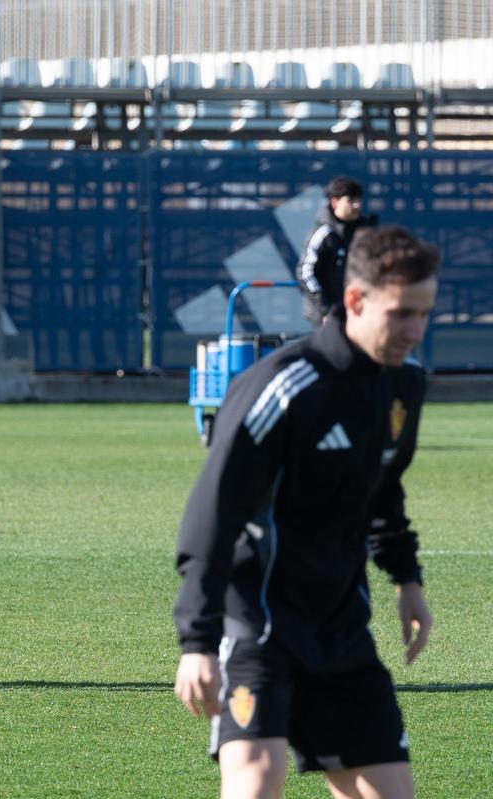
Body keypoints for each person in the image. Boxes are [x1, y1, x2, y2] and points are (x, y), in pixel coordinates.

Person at [173, 225, 438, 799]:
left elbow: (384, 487)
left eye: (424, 313)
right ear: (354, 300)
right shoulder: (283, 386)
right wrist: (196, 640)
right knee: (256, 780)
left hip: (341, 626)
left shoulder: (404, 388)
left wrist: (406, 578)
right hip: (258, 623)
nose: (414, 331)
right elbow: (212, 511)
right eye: (400, 314)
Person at [297, 176, 378, 325]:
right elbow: (306, 273)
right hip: (328, 318)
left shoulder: (364, 232)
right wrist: (326, 310)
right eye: (351, 200)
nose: (357, 205)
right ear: (335, 202)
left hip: (359, 314)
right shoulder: (324, 233)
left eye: (359, 200)